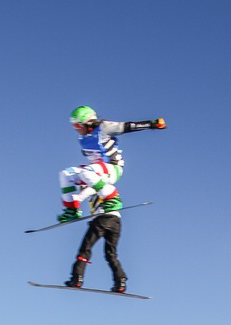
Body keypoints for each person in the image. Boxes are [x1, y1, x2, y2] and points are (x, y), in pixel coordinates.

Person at [58, 105, 166, 292]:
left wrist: (152, 124)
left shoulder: (104, 127)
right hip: (98, 178)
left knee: (87, 174)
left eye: (78, 125)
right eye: (74, 127)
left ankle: (112, 198)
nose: (77, 129)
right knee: (65, 174)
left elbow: (127, 126)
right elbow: (89, 187)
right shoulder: (82, 138)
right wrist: (76, 200)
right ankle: (71, 210)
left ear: (88, 122)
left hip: (112, 168)